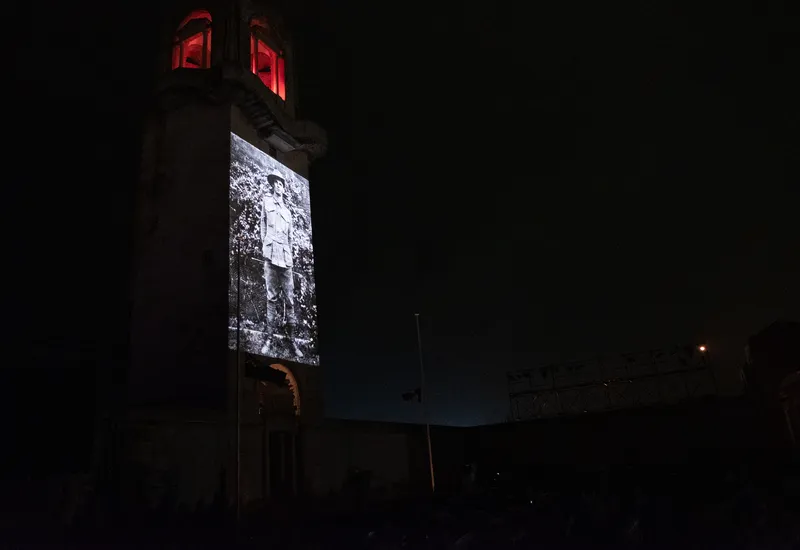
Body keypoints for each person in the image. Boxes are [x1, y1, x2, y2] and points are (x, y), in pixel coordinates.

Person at [259, 173, 301, 357]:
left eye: (281, 183)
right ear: (273, 186)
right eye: (275, 183)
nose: (278, 186)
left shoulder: (288, 212)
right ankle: (269, 339)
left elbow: (291, 238)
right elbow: (262, 223)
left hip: (285, 258)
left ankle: (292, 342)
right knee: (271, 298)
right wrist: (265, 244)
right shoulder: (266, 202)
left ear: (284, 188)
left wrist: (288, 253)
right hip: (270, 255)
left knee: (290, 300)